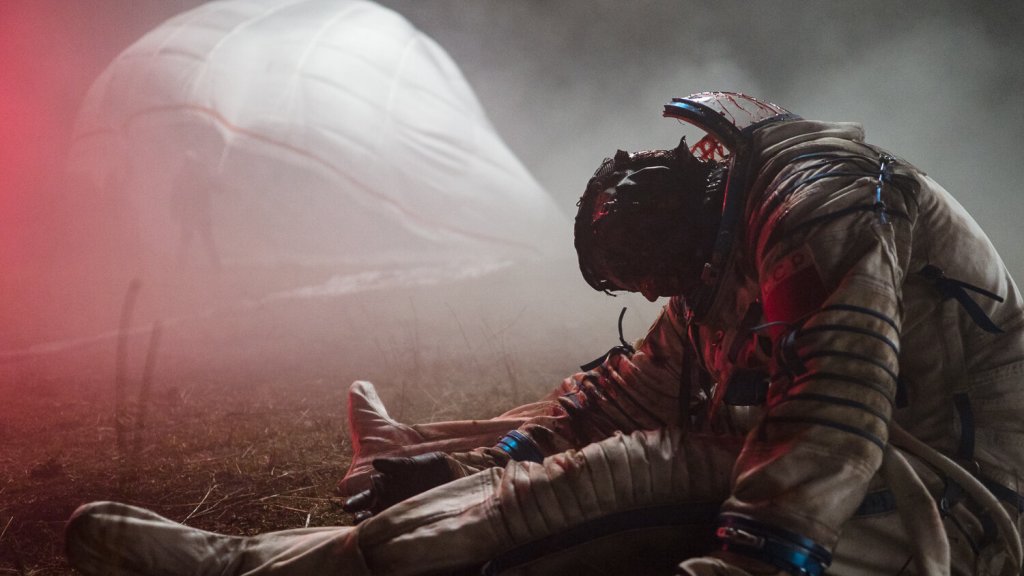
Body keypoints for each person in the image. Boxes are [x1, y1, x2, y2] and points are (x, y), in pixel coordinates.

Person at [66, 92, 1024, 575]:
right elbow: (626, 395)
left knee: (628, 477)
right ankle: (268, 556)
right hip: (899, 470)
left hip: (959, 500)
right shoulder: (734, 231)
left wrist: (750, 562)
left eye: (653, 283)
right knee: (601, 465)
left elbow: (834, 414)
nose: (665, 301)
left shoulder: (818, 208)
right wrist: (475, 463)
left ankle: (255, 568)